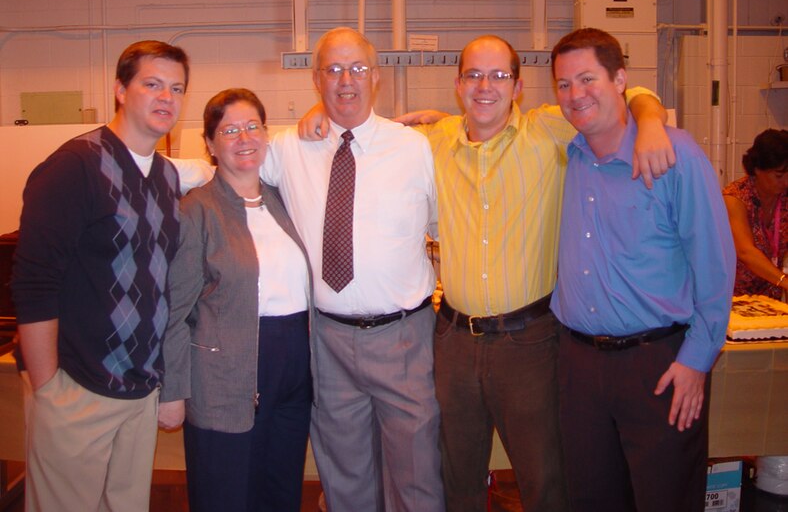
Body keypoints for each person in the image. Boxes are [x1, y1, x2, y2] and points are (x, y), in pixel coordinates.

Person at [300, 33, 673, 511]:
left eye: (499, 76)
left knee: (544, 478)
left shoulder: (550, 131)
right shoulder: (431, 142)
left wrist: (651, 120)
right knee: (456, 478)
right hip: (453, 340)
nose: (485, 86)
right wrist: (319, 114)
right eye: (474, 75)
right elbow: (354, 129)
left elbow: (621, 96)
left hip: (530, 341)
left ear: (518, 87)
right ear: (458, 84)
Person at [549, 27, 736, 512]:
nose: (576, 94)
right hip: (578, 364)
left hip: (658, 364)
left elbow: (715, 266)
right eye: (564, 84)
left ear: (620, 80)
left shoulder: (676, 155)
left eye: (587, 78)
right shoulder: (568, 155)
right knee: (591, 498)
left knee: (665, 498)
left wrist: (697, 360)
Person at [263, 27, 443, 512]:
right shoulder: (287, 149)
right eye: (334, 69)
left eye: (357, 68)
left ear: (377, 77)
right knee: (345, 476)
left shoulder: (414, 148)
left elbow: (447, 225)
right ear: (317, 79)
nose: (347, 80)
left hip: (404, 337)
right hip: (327, 341)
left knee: (417, 473)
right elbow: (229, 169)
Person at [11, 40, 189, 512]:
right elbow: (33, 283)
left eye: (176, 88)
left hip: (139, 390)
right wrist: (49, 388)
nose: (166, 97)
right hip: (77, 388)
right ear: (119, 89)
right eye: (152, 84)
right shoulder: (76, 166)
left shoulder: (167, 177)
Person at [157, 89, 314, 512]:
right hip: (225, 375)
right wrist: (172, 390)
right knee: (226, 493)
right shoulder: (197, 210)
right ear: (209, 144)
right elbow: (173, 311)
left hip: (294, 372)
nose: (244, 138)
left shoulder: (285, 200)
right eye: (229, 130)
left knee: (281, 490)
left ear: (265, 134)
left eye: (252, 127)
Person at [722, 128, 788, 298]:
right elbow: (745, 252)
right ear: (758, 169)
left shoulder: (785, 196)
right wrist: (783, 280)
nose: (786, 182)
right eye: (779, 175)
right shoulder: (735, 197)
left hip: (771, 299)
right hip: (733, 297)